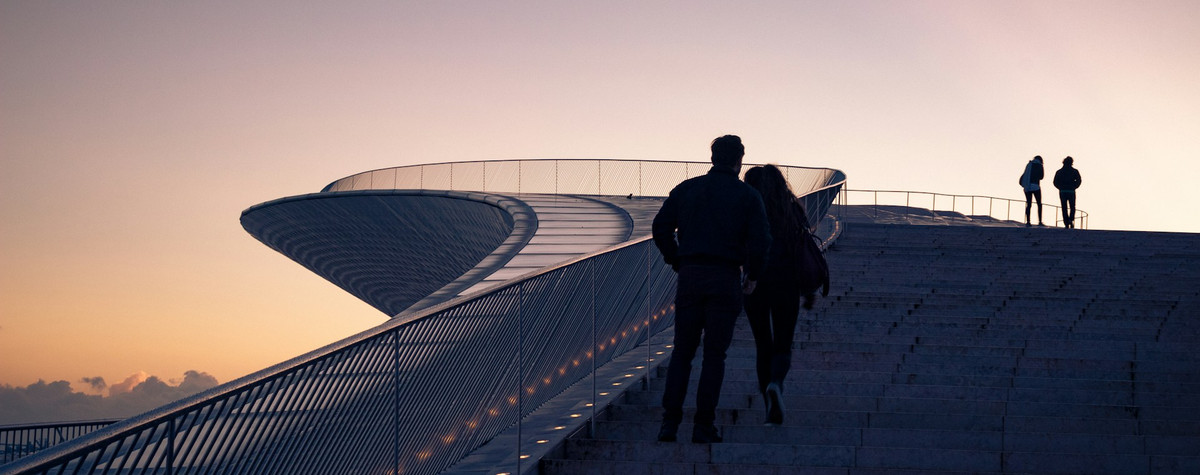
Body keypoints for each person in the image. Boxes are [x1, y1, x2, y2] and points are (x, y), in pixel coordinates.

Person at [651, 135, 771, 443]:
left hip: (690, 276)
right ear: (738, 161)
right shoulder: (747, 196)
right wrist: (752, 275)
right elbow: (761, 241)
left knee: (682, 353)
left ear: (712, 157)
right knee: (715, 355)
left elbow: (660, 227)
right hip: (725, 277)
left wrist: (676, 259)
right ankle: (703, 425)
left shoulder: (687, 189)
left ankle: (669, 423)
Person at [741, 164, 813, 426]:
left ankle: (768, 404)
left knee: (763, 344)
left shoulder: (747, 208)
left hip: (755, 283)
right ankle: (776, 384)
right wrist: (808, 289)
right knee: (782, 344)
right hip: (787, 284)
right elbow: (804, 248)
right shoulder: (792, 210)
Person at [1053, 156, 1083, 228]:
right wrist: (1074, 187)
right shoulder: (1075, 171)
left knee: (1064, 207)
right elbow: (1079, 180)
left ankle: (1066, 222)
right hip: (1071, 191)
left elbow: (1055, 182)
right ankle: (1071, 219)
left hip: (1063, 191)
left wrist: (1060, 188)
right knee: (1072, 206)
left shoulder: (1059, 171)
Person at [1020, 156, 1045, 226]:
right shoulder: (1040, 166)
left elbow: (1025, 174)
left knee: (1029, 204)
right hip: (1036, 186)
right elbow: (1041, 177)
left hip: (1027, 187)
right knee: (1039, 204)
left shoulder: (1029, 164)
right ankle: (1040, 221)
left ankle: (1028, 221)